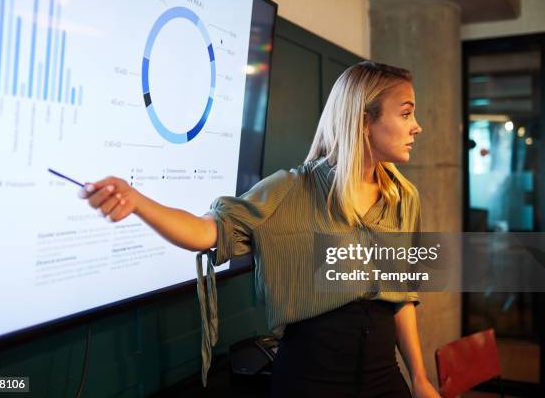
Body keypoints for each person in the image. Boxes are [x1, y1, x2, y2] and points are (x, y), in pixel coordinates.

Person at [79, 60, 440, 397]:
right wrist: (138, 202)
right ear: (363, 121)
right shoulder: (289, 190)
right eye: (406, 113)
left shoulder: (403, 198)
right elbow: (205, 233)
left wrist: (420, 379)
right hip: (308, 382)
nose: (417, 126)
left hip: (384, 381)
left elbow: (401, 298)